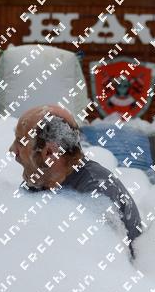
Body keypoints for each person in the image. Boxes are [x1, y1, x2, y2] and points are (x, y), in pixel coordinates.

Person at [8, 104, 142, 257]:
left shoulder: (98, 193)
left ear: (49, 152)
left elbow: (108, 263)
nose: (12, 151)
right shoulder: (38, 182)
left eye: (20, 143)